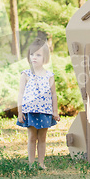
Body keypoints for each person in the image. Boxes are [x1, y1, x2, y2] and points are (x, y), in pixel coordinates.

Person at [17, 38, 60, 169]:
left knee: (42, 138)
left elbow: (53, 94)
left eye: (38, 55)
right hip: (30, 111)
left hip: (45, 111)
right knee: (31, 137)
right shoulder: (26, 74)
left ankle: (41, 163)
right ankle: (31, 164)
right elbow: (21, 94)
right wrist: (20, 111)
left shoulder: (49, 76)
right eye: (32, 54)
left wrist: (55, 111)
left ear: (45, 58)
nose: (34, 57)